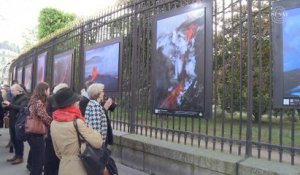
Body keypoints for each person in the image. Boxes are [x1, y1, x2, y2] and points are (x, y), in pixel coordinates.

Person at [50, 87, 103, 175]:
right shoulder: (77, 123)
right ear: (72, 104)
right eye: (76, 101)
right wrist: (92, 130)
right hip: (79, 167)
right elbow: (98, 143)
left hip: (64, 166)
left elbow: (57, 152)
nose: (78, 103)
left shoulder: (53, 123)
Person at [27, 82, 52, 175]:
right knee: (38, 162)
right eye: (48, 89)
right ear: (44, 90)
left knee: (36, 160)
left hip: (31, 133)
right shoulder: (39, 102)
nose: (49, 91)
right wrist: (53, 123)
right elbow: (44, 116)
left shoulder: (33, 100)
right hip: (36, 134)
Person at [44, 83, 68, 175]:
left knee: (59, 158)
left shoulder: (68, 100)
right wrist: (57, 117)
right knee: (50, 158)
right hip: (52, 133)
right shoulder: (50, 99)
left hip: (63, 134)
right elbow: (47, 114)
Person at [2, 84, 28, 164]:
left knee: (18, 140)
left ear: (18, 91)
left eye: (13, 90)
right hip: (13, 121)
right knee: (13, 139)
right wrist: (6, 106)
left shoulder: (25, 98)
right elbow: (12, 107)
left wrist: (10, 104)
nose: (11, 92)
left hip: (19, 122)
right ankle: (16, 155)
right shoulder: (14, 97)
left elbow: (21, 108)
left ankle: (20, 157)